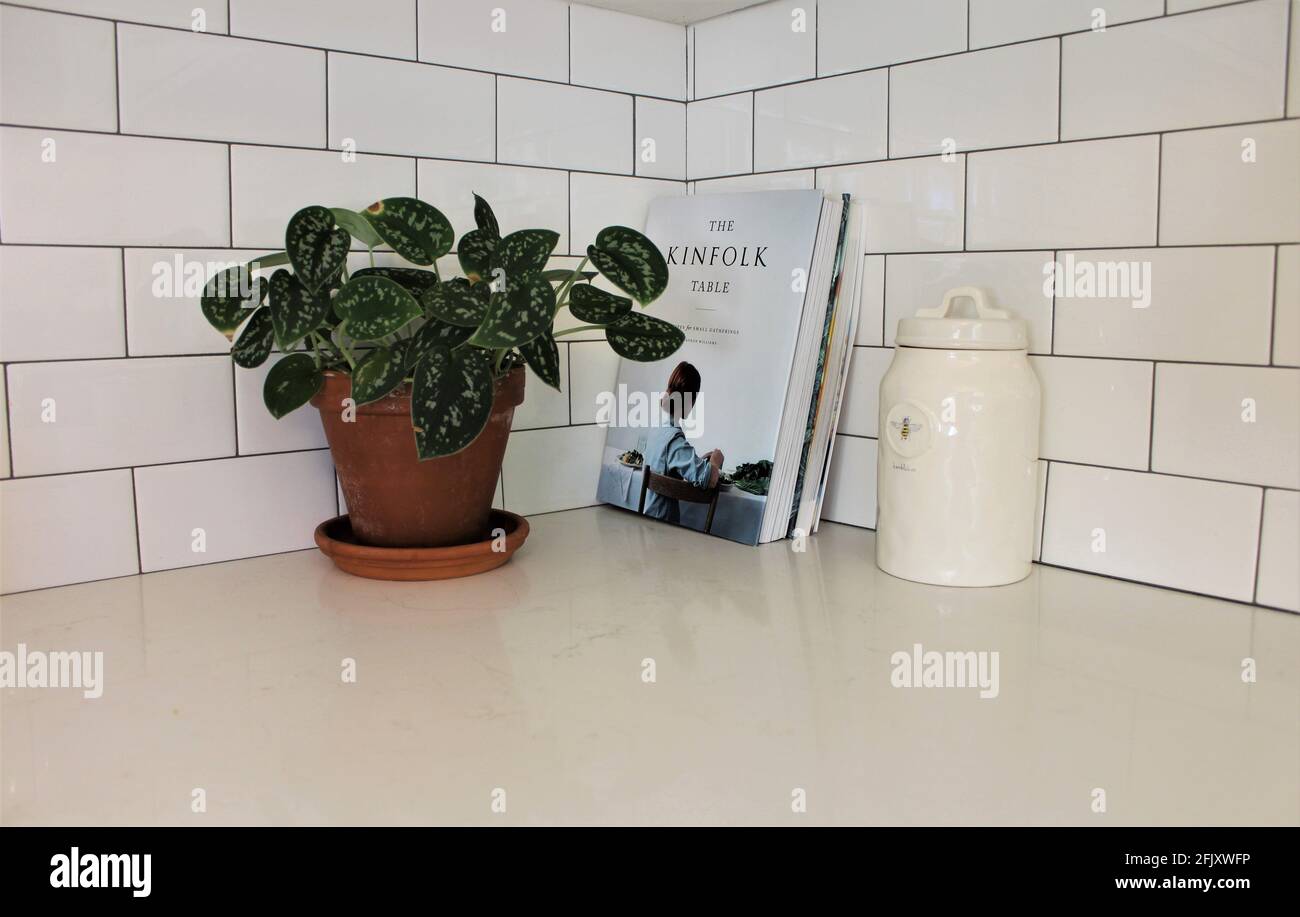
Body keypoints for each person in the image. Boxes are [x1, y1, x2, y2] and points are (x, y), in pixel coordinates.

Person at [643, 361, 724, 524]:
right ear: (690, 400)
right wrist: (716, 459)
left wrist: (699, 460)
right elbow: (709, 479)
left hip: (648, 516)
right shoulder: (674, 440)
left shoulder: (658, 427)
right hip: (663, 526)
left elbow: (670, 465)